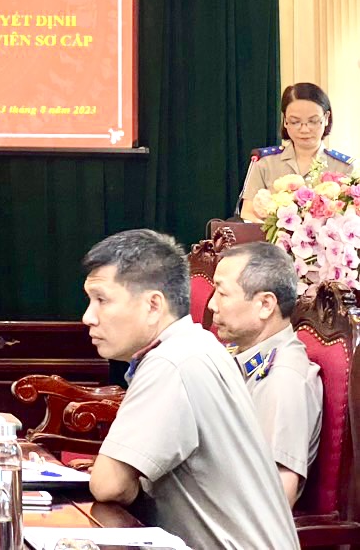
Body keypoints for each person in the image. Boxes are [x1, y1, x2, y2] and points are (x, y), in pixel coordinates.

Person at [82, 228, 297, 550]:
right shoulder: (196, 344)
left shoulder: (171, 361)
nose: (88, 317)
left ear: (153, 305)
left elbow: (109, 484)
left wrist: (130, 483)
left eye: (101, 300)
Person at [208, 242, 322, 506]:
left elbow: (275, 499)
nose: (212, 304)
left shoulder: (282, 379)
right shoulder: (244, 354)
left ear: (265, 305)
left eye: (222, 293)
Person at [240, 82, 354, 220]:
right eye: (295, 122)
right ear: (285, 121)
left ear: (326, 118)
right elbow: (247, 213)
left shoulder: (346, 168)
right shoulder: (264, 162)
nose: (304, 129)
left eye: (313, 121)